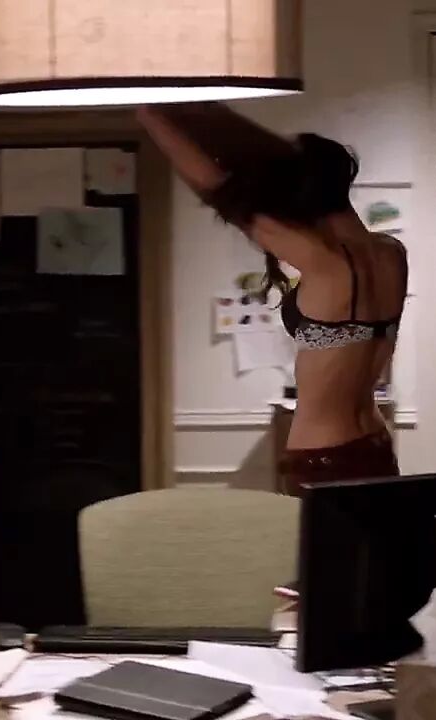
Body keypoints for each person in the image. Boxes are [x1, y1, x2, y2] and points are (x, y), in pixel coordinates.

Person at [136, 103, 408, 495]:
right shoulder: (391, 253)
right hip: (377, 446)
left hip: (324, 457)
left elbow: (218, 191)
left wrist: (150, 115)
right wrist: (196, 105)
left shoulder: (325, 261)